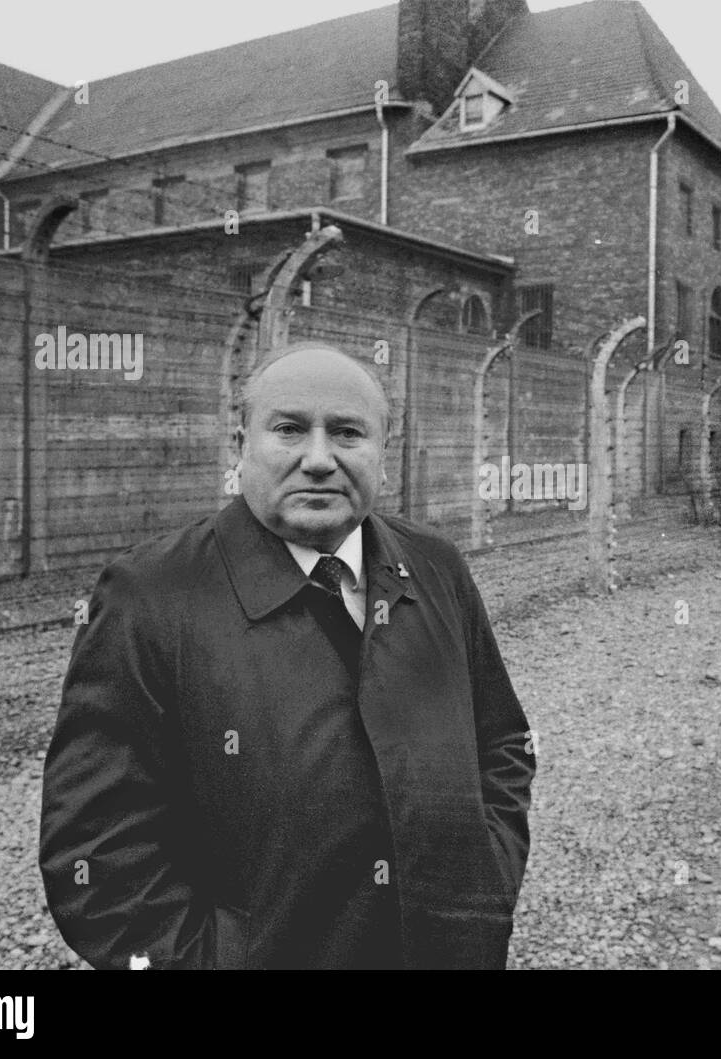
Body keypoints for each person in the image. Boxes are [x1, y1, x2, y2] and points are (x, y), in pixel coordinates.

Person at [39, 342, 535, 969]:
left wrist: (483, 882)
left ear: (386, 451)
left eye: (348, 433)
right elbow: (97, 851)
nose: (319, 459)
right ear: (238, 444)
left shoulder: (434, 567)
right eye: (290, 429)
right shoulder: (152, 594)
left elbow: (501, 744)